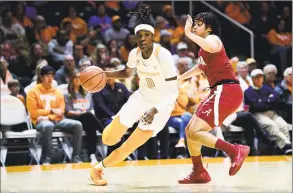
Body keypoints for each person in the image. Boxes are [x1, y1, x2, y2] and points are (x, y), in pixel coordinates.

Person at [89, 3, 179, 186]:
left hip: (161, 106)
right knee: (108, 138)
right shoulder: (134, 53)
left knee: (128, 146)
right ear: (135, 38)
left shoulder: (164, 56)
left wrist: (155, 109)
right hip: (141, 98)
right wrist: (104, 74)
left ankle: (98, 168)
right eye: (139, 36)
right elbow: (126, 73)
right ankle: (125, 125)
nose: (143, 38)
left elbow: (173, 91)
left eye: (147, 35)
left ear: (153, 37)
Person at [177, 13, 250, 184]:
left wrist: (189, 34)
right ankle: (198, 170)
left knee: (195, 131)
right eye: (194, 24)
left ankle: (234, 150)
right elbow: (200, 67)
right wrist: (180, 78)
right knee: (190, 131)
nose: (194, 26)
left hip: (226, 90)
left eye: (199, 24)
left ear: (209, 28)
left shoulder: (214, 39)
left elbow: (211, 47)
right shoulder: (204, 49)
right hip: (219, 91)